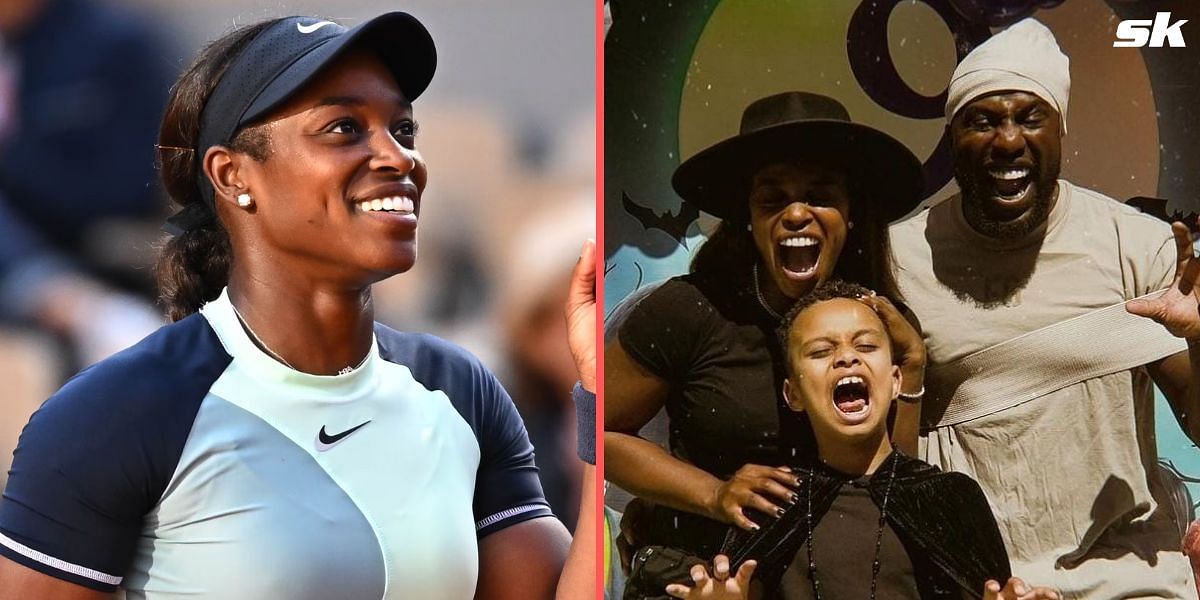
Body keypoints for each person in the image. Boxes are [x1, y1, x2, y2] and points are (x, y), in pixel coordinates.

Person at [0, 14, 596, 599]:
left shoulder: (461, 389)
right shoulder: (112, 415)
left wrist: (602, 402)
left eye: (404, 129)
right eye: (343, 128)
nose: (398, 158)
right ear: (233, 175)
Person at [889, 18, 1200, 597]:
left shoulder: (1136, 246)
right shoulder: (899, 259)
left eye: (1030, 118)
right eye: (983, 120)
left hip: (1129, 577)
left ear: (1061, 130)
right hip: (972, 579)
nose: (1008, 140)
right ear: (952, 136)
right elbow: (888, 461)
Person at [605, 91, 928, 558]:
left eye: (820, 196)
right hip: (705, 575)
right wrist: (714, 494)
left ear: (851, 215)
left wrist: (912, 365)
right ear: (748, 219)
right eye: (772, 199)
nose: (797, 214)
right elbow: (602, 433)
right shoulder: (689, 309)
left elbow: (896, 489)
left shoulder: (885, 325)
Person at [664, 281, 1057, 600]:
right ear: (793, 394)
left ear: (896, 380)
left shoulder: (949, 498)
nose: (846, 358)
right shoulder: (772, 504)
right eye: (820, 351)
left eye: (866, 346)